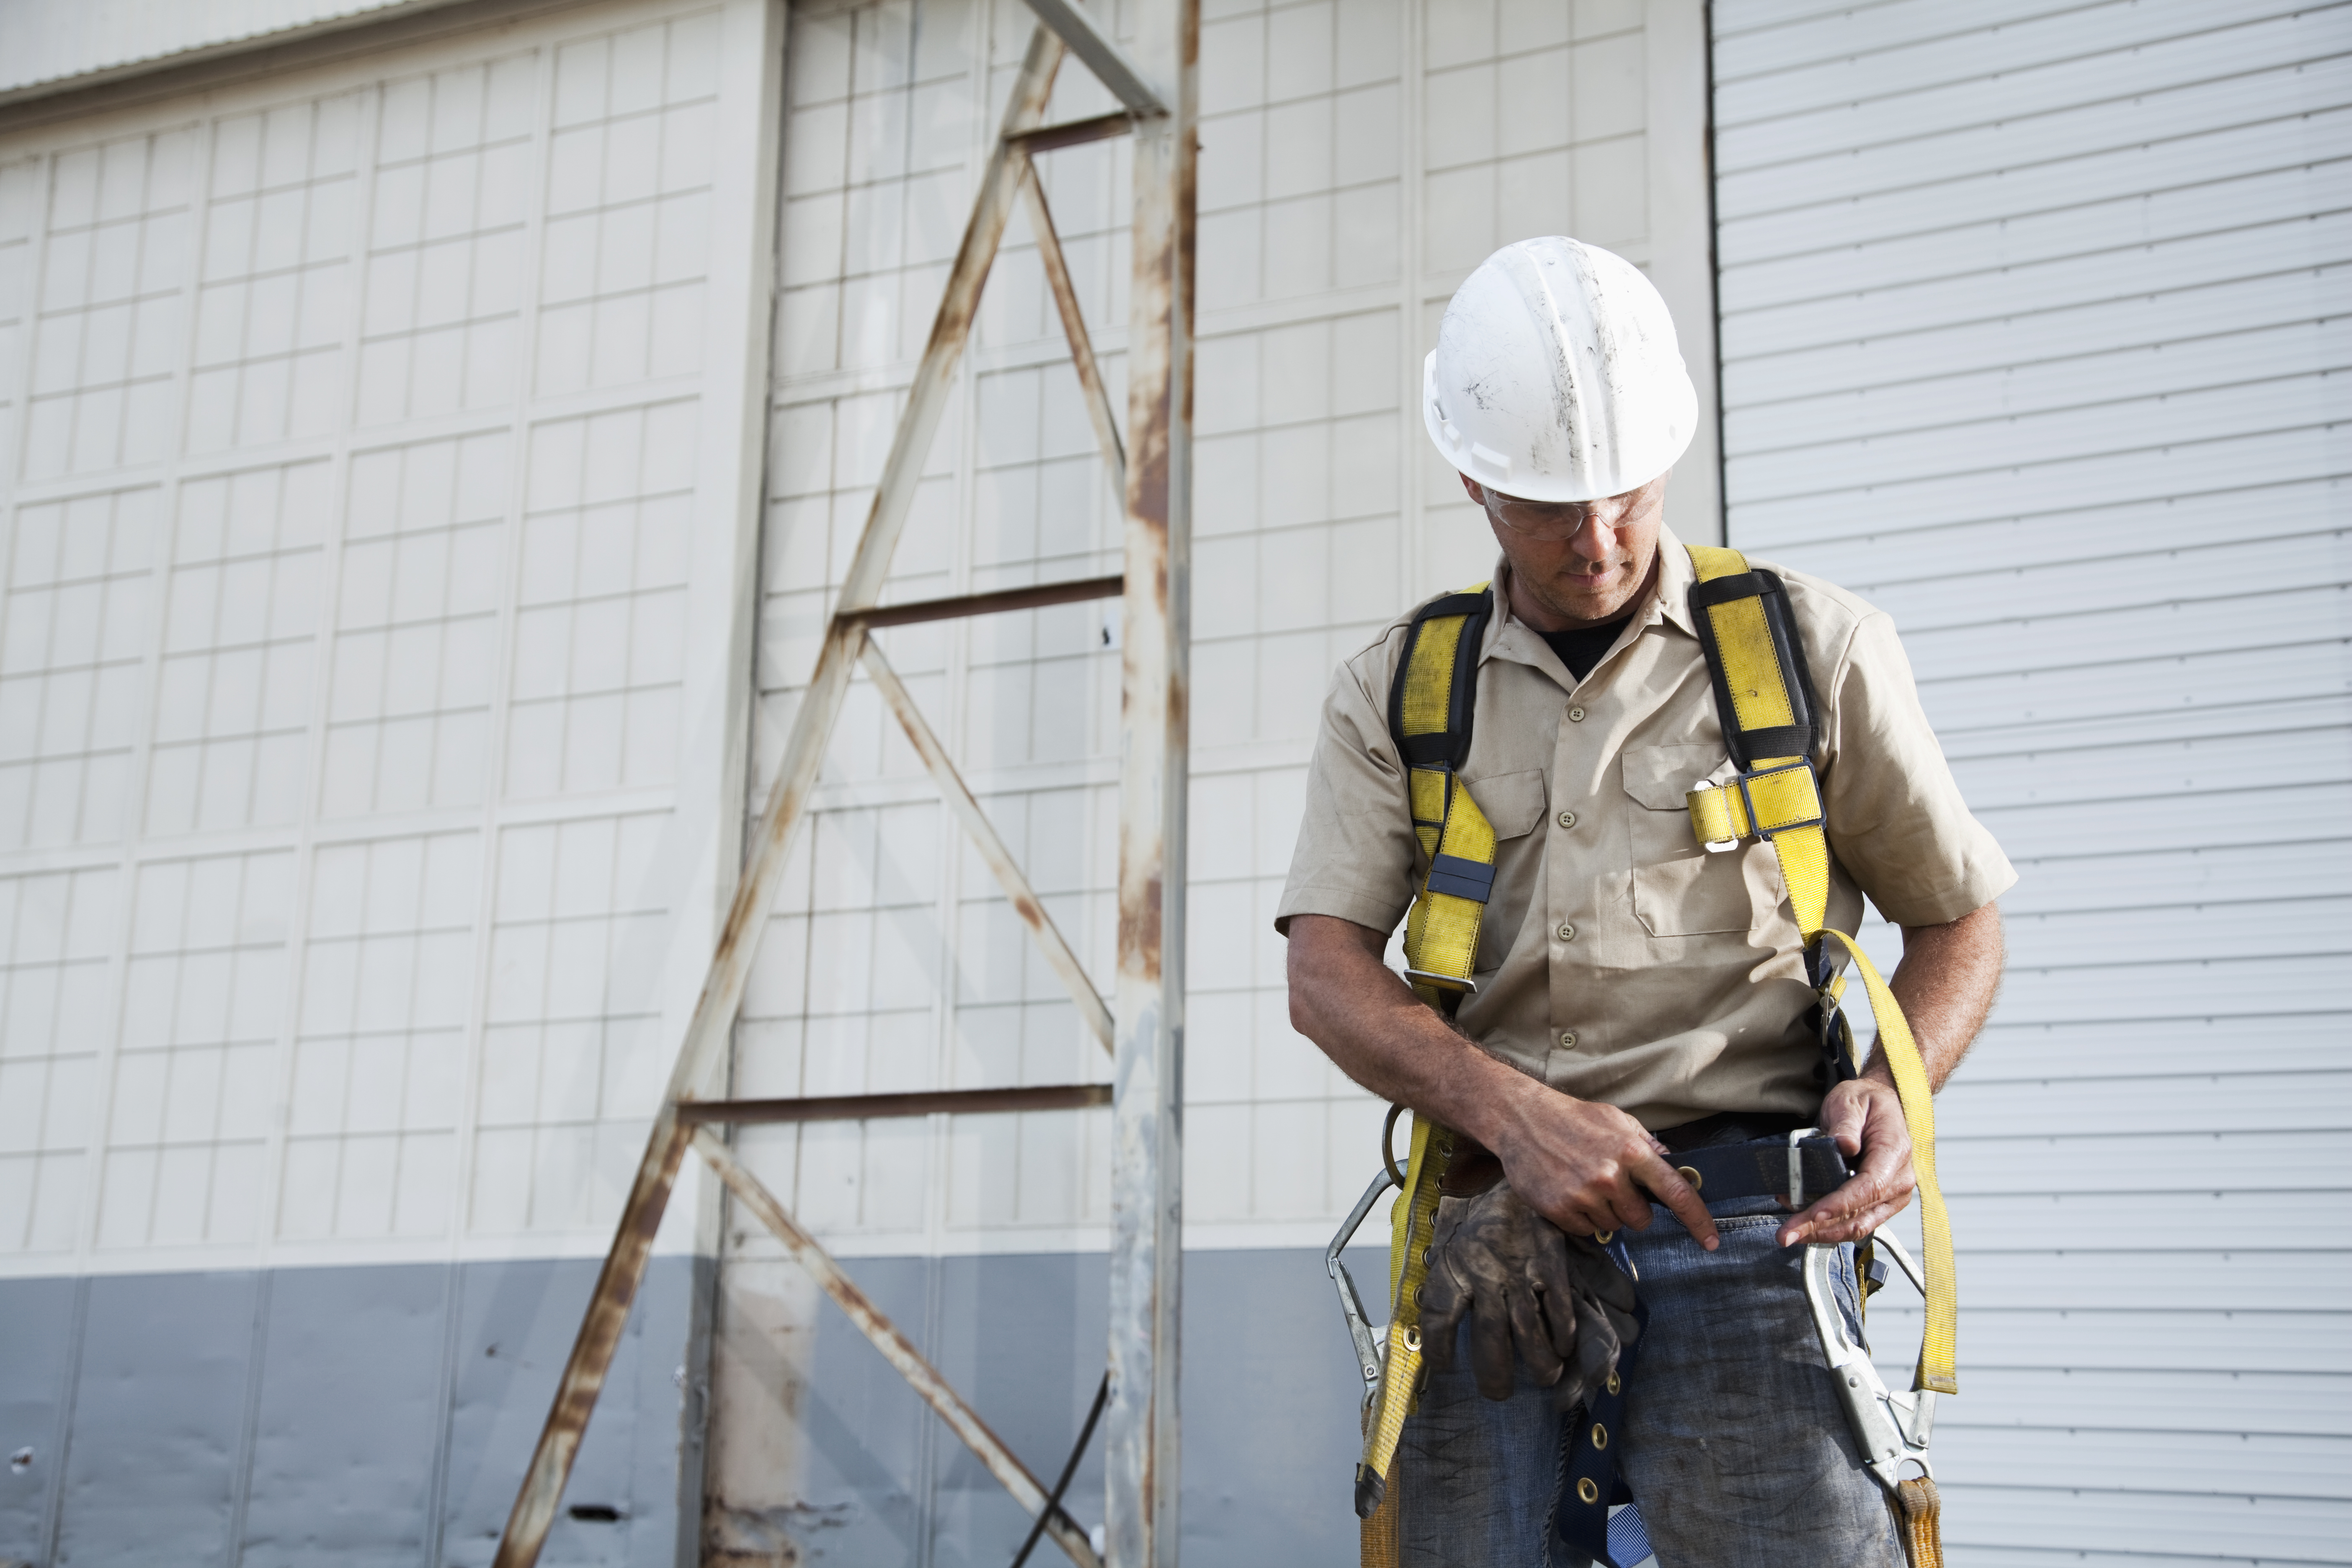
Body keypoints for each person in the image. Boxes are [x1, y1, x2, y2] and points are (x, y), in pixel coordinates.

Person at [1277, 236, 2012, 1566]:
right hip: (1494, 1235)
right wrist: (1516, 1118)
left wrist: (1901, 1094)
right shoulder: (1399, 690)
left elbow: (1959, 918)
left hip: (1754, 1225)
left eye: (1627, 493)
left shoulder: (1812, 651)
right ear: (1475, 479)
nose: (1600, 539)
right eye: (1550, 507)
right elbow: (1325, 973)